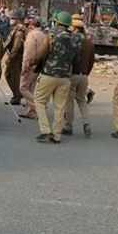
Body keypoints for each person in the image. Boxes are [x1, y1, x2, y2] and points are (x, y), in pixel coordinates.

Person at [32, 11, 81, 144]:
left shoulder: (51, 35)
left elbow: (42, 54)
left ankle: (45, 130)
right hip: (65, 77)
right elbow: (77, 59)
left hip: (49, 74)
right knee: (60, 107)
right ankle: (57, 134)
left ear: (57, 22)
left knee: (39, 101)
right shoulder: (75, 39)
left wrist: (34, 63)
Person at [64, 18, 95, 137]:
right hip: (84, 76)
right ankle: (86, 123)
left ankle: (68, 126)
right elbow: (92, 61)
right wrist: (86, 73)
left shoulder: (72, 41)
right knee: (82, 101)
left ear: (75, 29)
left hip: (72, 74)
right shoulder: (89, 43)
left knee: (70, 101)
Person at [20, 15, 46, 120]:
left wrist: (25, 66)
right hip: (40, 65)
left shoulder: (32, 35)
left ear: (32, 25)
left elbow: (29, 53)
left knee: (23, 88)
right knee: (32, 88)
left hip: (31, 65)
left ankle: (38, 107)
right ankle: (30, 112)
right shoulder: (44, 35)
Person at [4, 9, 26, 105]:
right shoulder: (15, 29)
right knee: (11, 76)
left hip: (16, 56)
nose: (10, 20)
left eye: (12, 18)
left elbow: (16, 46)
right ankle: (16, 94)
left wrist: (10, 58)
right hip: (15, 56)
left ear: (17, 19)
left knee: (13, 76)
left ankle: (16, 96)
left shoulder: (19, 31)